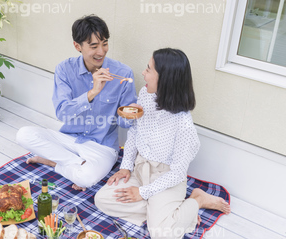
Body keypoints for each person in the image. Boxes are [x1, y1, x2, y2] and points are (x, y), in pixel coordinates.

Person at [94, 48, 231, 239]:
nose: (143, 73)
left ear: (165, 80)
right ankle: (168, 213)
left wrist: (143, 193)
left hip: (166, 178)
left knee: (162, 235)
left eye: (149, 69)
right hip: (140, 168)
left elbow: (177, 173)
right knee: (101, 199)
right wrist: (126, 167)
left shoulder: (183, 124)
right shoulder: (145, 94)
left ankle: (196, 200)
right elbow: (134, 131)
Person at [16, 15, 137, 191]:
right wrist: (92, 92)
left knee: (87, 178)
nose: (101, 51)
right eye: (94, 46)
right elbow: (62, 113)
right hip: (68, 139)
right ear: (77, 46)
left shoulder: (123, 73)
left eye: (104, 43)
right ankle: (77, 165)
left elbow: (125, 123)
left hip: (102, 147)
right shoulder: (64, 69)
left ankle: (53, 162)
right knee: (23, 135)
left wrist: (132, 113)